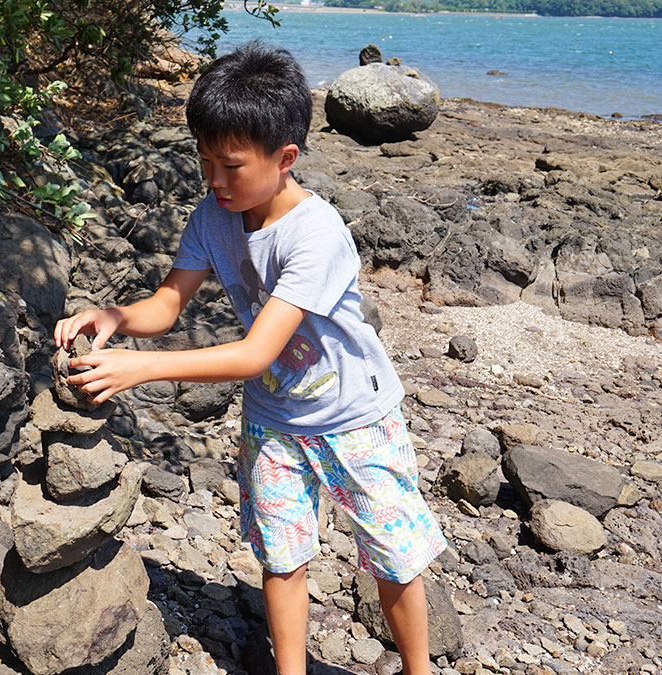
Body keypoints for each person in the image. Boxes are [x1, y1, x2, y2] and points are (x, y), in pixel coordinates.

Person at [54, 41, 447, 675]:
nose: (214, 179)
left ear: (285, 157)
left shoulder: (315, 233)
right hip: (273, 420)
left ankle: (417, 669)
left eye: (230, 165)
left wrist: (139, 367)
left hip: (355, 416)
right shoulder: (214, 214)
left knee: (394, 555)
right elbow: (167, 303)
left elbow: (255, 350)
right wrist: (117, 318)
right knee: (282, 554)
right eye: (205, 160)